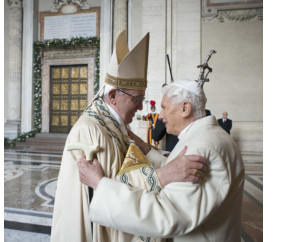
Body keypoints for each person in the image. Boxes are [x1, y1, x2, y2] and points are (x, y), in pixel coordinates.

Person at [51, 31, 208, 242]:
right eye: (137, 99)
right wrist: (162, 176)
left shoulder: (114, 123)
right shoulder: (90, 129)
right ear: (114, 96)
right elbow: (101, 188)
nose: (141, 106)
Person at [78, 79, 245, 242]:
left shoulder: (203, 147)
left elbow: (168, 215)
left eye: (164, 107)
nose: (161, 116)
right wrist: (141, 144)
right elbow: (175, 169)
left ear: (185, 108)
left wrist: (100, 186)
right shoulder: (204, 136)